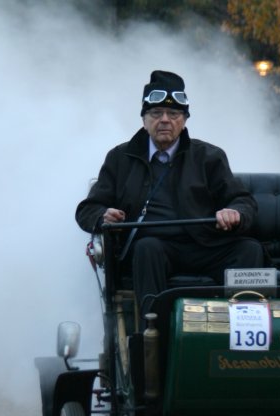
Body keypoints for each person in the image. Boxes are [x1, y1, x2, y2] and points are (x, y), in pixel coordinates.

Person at [76, 70, 265, 322]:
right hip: (155, 250)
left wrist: (234, 212)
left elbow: (244, 201)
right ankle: (153, 338)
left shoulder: (209, 156)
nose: (164, 120)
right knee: (146, 248)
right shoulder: (120, 159)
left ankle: (243, 330)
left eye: (173, 114)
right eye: (156, 114)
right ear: (144, 119)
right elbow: (87, 209)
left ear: (184, 120)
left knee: (249, 250)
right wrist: (103, 215)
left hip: (205, 245)